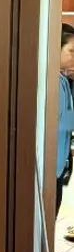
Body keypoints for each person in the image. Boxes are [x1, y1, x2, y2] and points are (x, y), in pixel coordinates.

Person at [56, 24, 74, 217]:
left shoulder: (63, 78)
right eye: (71, 51)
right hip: (51, 165)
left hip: (59, 163)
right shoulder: (52, 81)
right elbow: (57, 122)